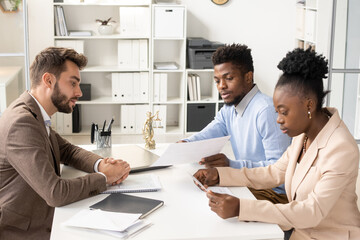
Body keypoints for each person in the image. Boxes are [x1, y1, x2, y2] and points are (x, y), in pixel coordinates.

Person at [194, 48, 360, 240]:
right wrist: (220, 175)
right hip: (298, 232)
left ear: (308, 105)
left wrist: (241, 207)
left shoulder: (341, 148)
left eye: (283, 112)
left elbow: (312, 211)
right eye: (277, 111)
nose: (278, 119)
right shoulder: (303, 134)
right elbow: (273, 172)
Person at [0, 47, 131, 240]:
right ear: (48, 80)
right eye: (73, 83)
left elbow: (66, 150)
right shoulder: (22, 122)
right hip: (23, 231)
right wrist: (104, 177)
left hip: (42, 217)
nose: (79, 92)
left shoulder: (34, 111)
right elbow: (55, 193)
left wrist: (100, 164)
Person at [182, 43, 291, 203]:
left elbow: (279, 170)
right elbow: (210, 132)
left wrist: (231, 165)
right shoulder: (230, 108)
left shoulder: (266, 111)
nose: (221, 86)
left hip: (273, 193)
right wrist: (185, 144)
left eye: (229, 78)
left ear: (248, 77)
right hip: (247, 184)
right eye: (217, 81)